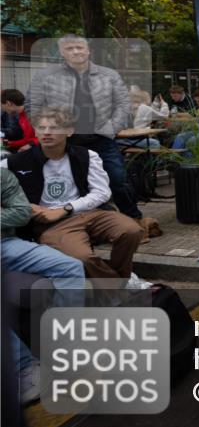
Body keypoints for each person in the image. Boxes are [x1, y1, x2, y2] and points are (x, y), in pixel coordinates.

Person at [3, 107, 144, 282]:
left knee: (132, 230)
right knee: (81, 258)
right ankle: (121, 283)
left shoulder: (86, 155)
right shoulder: (15, 162)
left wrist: (67, 208)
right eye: (41, 128)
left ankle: (120, 279)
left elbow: (102, 192)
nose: (46, 132)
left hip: (90, 213)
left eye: (54, 128)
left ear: (69, 131)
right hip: (51, 224)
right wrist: (25, 207)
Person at [24, 34, 145, 224]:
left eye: (79, 47)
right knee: (71, 181)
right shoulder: (45, 76)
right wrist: (47, 129)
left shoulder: (109, 75)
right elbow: (32, 105)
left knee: (117, 179)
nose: (75, 51)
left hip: (101, 138)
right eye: (70, 48)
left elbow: (123, 104)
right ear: (62, 52)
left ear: (88, 50)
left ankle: (134, 219)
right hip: (64, 141)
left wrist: (112, 127)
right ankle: (80, 222)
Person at [1, 168, 85, 405]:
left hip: (5, 243)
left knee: (70, 267)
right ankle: (24, 368)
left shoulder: (2, 176)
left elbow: (21, 213)